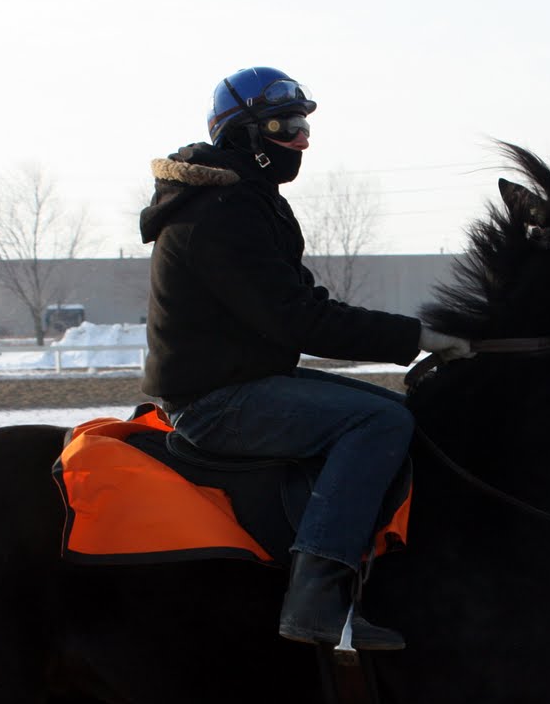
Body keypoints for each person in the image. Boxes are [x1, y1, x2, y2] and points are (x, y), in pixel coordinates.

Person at [139, 66, 472, 651]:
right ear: (245, 133)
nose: (301, 140)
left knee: (400, 412)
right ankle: (315, 599)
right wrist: (415, 336)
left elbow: (303, 304)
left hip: (246, 380)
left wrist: (414, 336)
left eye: (303, 127)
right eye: (285, 127)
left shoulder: (250, 200)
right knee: (379, 421)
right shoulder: (219, 212)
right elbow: (296, 318)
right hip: (214, 402)